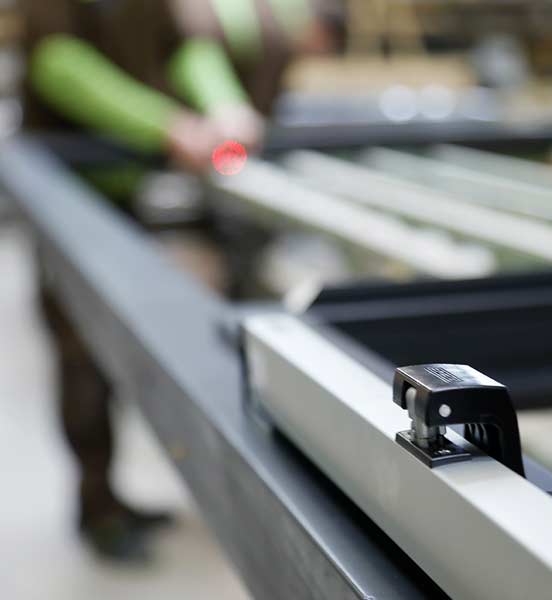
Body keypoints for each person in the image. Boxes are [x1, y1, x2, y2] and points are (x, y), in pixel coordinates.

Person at [21, 0, 344, 560]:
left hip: (128, 183)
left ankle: (113, 498)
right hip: (69, 181)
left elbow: (187, 49)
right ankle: (97, 505)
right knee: (79, 347)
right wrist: (165, 126)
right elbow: (59, 64)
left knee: (115, 339)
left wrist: (225, 107)